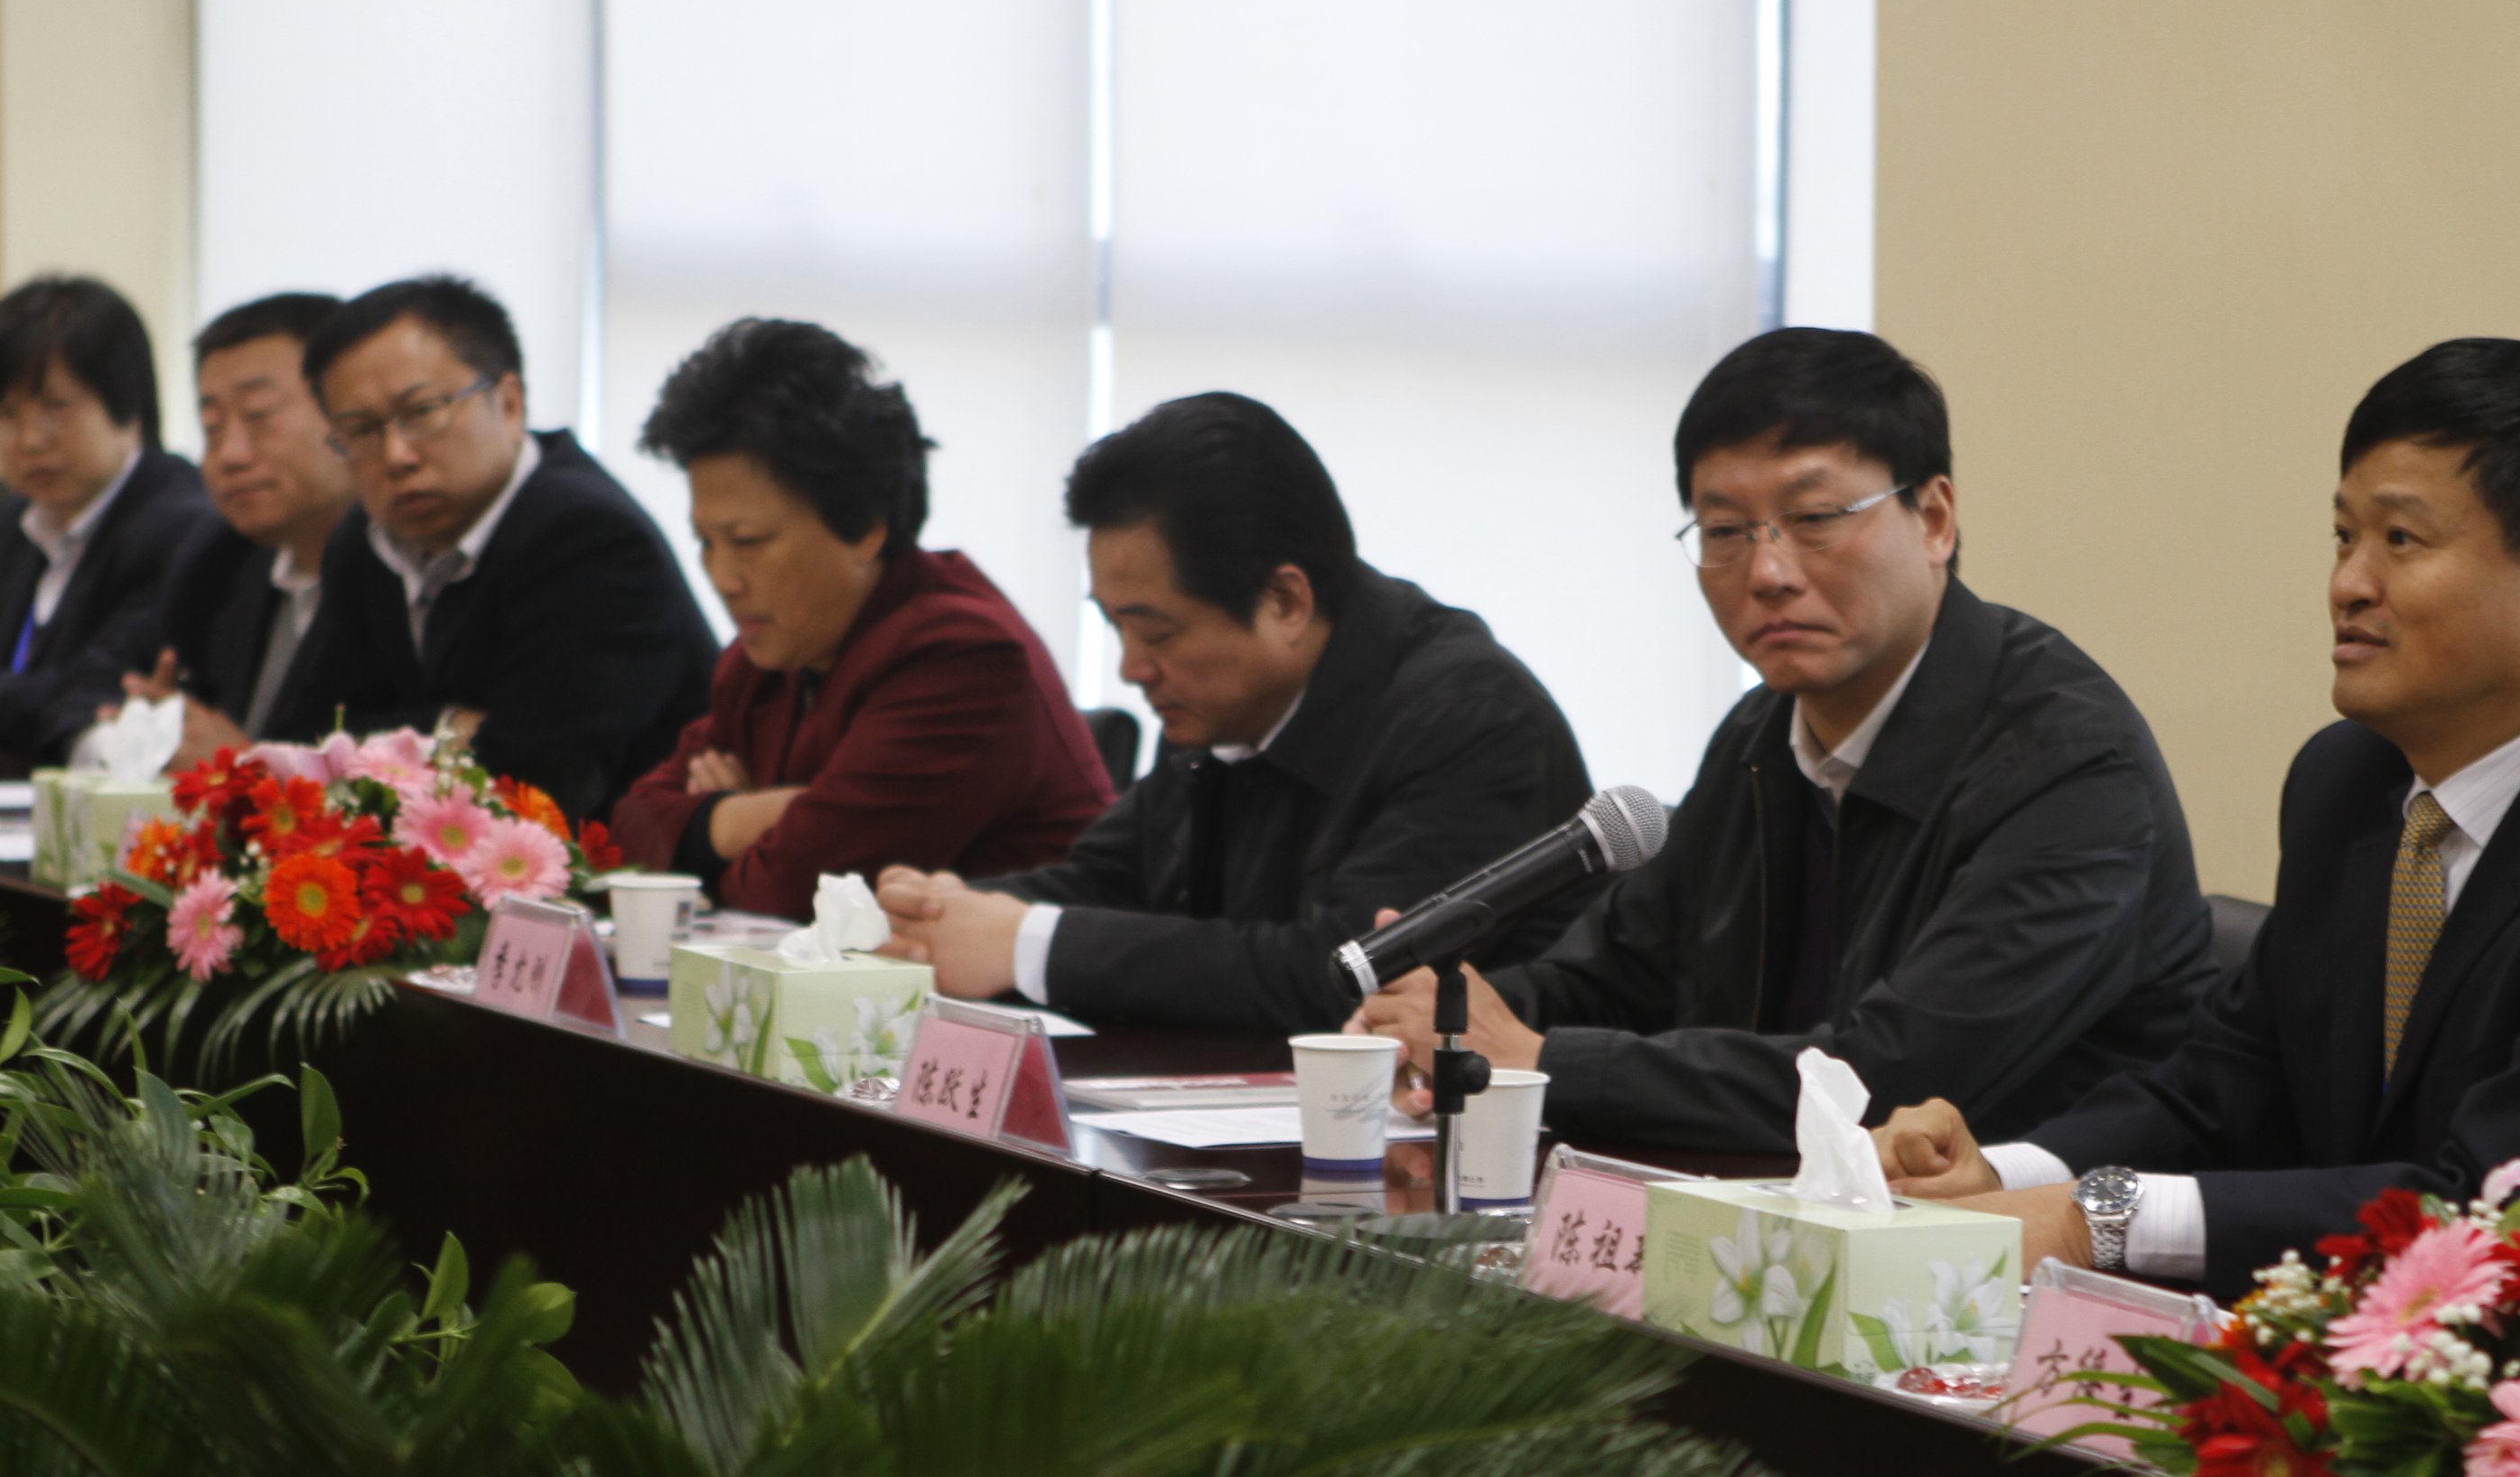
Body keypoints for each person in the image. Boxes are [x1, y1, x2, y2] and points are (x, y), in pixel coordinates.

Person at [1872, 338, 2520, 1298]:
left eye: (2402, 540)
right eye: (2345, 536)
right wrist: (2004, 1176)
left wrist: (2094, 1221)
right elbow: (2222, 1091)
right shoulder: (2349, 782)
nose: (2349, 584)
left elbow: (2502, 1214)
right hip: (2401, 1353)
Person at [1350, 327, 2216, 1154]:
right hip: (1778, 1213)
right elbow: (1617, 977)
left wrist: (1537, 1061)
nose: (1768, 573)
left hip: (2028, 1231)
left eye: (1815, 517)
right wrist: (1449, 1022)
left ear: (1934, 518)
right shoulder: (1760, 737)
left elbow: (1887, 1082)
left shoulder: (2068, 766)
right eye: (1726, 532)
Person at [877, 391, 1592, 1031]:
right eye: (1115, 628)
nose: (1132, 668)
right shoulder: (1220, 703)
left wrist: (1027, 945)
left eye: (1157, 633)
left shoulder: (1473, 721)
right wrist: (940, 917)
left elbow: (1347, 976)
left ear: (1285, 601)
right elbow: (1108, 883)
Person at [610, 320, 1113, 919]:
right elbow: (630, 832)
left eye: (748, 541)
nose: (722, 578)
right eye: (705, 543)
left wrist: (713, 832)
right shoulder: (766, 655)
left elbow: (794, 891)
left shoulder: (964, 657)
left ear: (866, 528)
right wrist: (757, 814)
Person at [270, 276, 715, 823]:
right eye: (360, 430)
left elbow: (537, 783)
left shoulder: (588, 538)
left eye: (422, 412)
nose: (396, 455)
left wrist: (391, 741)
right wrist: (448, 727)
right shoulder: (366, 541)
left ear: (509, 404)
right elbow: (297, 744)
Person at [0, 276, 212, 756]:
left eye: (55, 409)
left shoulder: (182, 529)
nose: (29, 440)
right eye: (6, 416)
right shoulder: (12, 524)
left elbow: (76, 691)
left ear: (128, 406)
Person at [54, 292, 355, 766]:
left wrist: (247, 767)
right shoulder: (217, 554)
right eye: (212, 427)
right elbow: (85, 684)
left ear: (350, 416)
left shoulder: (404, 576)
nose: (230, 454)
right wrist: (138, 743)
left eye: (260, 416)